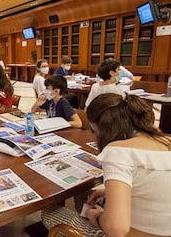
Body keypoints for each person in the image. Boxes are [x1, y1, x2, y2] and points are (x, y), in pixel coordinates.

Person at [42, 93, 171, 237]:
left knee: (49, 212)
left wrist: (96, 217)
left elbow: (116, 228)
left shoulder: (118, 151)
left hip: (130, 232)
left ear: (105, 129)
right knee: (87, 198)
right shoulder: (166, 140)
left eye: (95, 132)